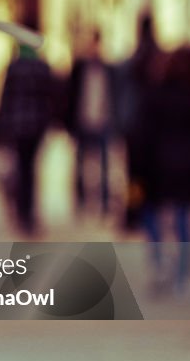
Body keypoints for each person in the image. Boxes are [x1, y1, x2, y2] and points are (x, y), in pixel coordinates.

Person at [136, 46, 190, 292]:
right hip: (189, 170)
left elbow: (142, 137)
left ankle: (159, 261)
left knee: (150, 213)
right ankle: (183, 275)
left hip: (157, 168)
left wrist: (138, 170)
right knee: (184, 219)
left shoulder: (153, 98)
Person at [0, 44, 53, 234]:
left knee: (22, 167)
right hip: (37, 126)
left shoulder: (14, 67)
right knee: (30, 169)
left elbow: (5, 98)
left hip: (18, 126)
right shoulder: (43, 68)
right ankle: (28, 212)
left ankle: (23, 212)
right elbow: (51, 99)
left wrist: (3, 126)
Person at [117, 15, 161, 230]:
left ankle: (133, 214)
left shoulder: (133, 60)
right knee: (152, 175)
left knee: (134, 176)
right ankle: (148, 213)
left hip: (135, 127)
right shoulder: (159, 59)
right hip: (154, 128)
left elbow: (124, 94)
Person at [67, 31, 114, 213]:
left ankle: (103, 202)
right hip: (82, 121)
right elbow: (71, 96)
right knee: (80, 164)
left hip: (102, 121)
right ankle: (80, 200)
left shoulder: (107, 69)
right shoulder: (79, 68)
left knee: (103, 165)